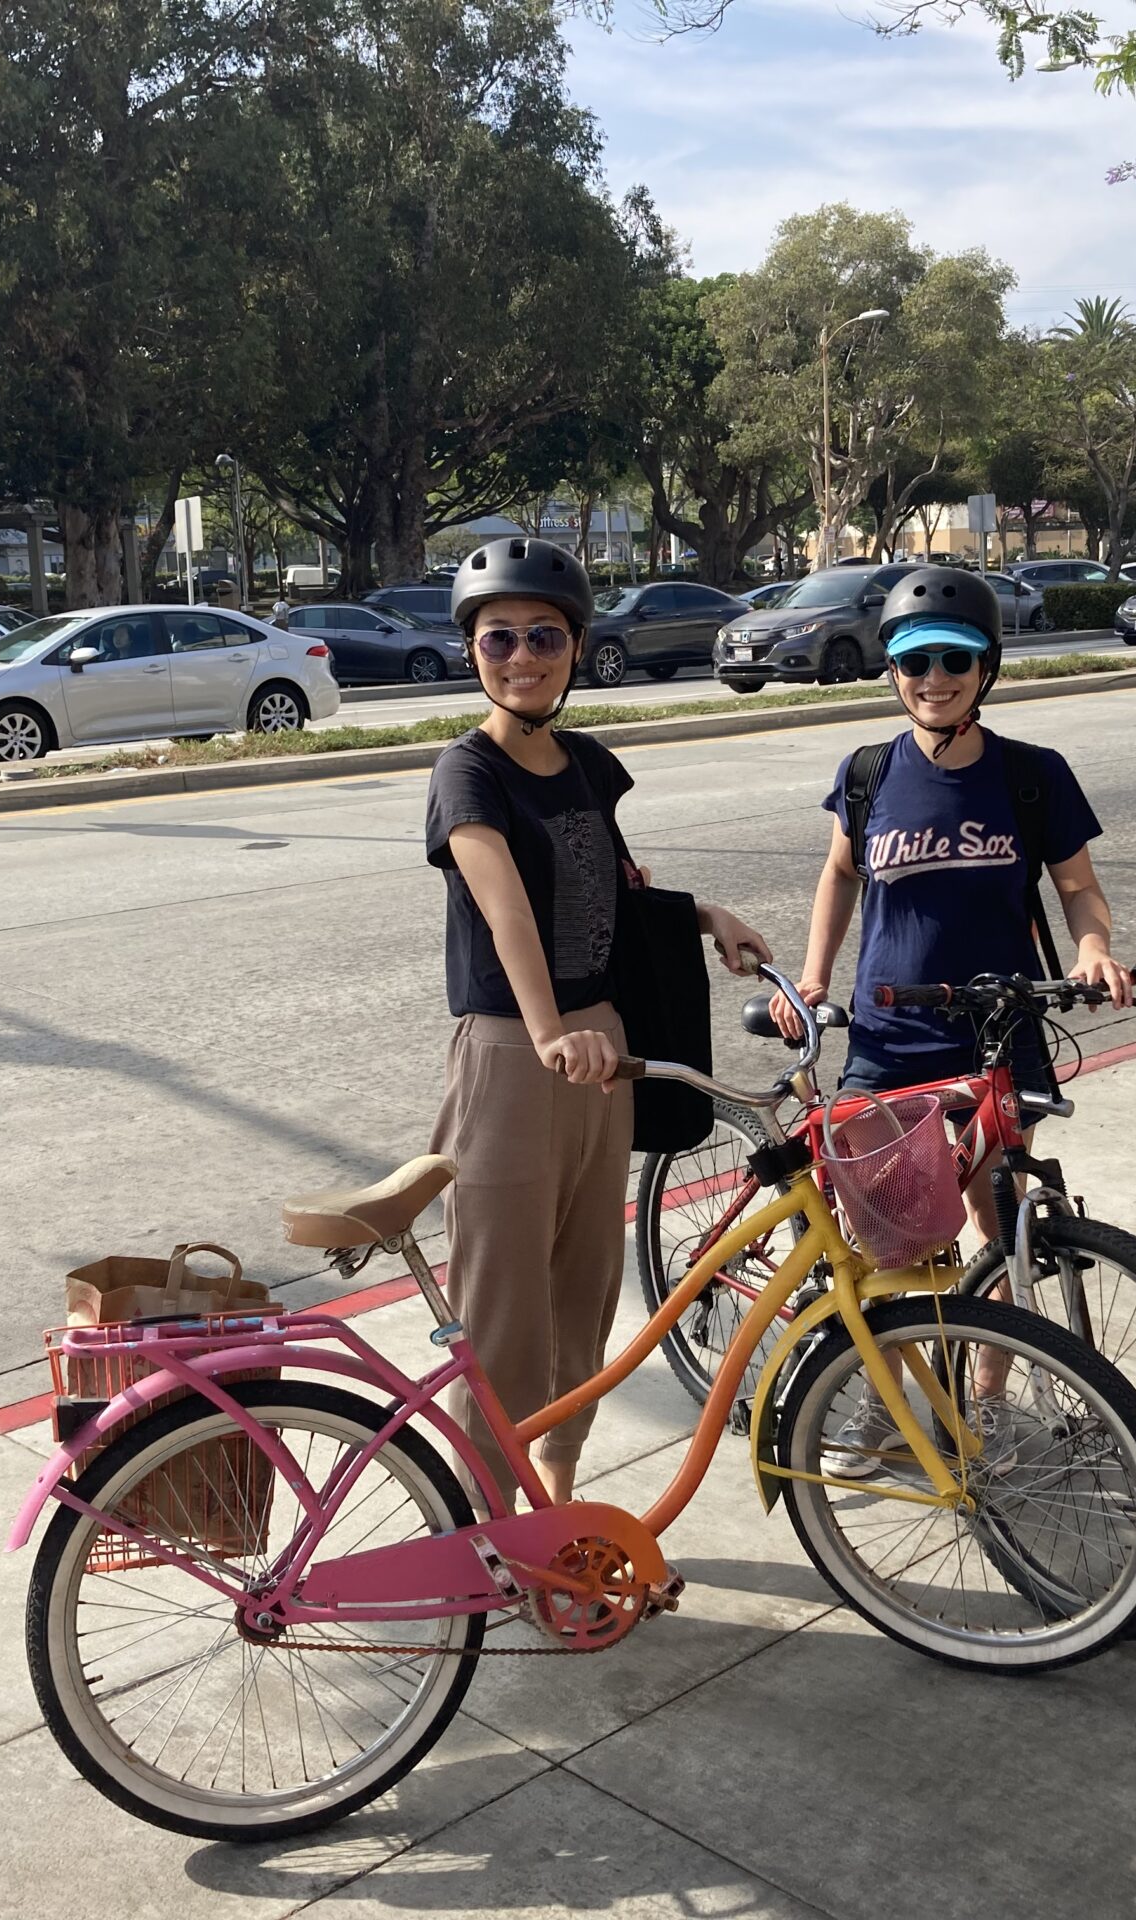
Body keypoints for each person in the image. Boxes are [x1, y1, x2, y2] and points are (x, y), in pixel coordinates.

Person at [425, 536, 771, 1503]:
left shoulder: (586, 762)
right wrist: (545, 1033)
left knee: (582, 1301)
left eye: (544, 636)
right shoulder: (467, 774)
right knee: (501, 1319)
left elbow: (614, 887)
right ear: (473, 652)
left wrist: (706, 918)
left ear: (576, 647)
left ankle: (559, 1496)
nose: (522, 657)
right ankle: (492, 1531)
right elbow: (507, 914)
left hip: (601, 1054)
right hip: (515, 1057)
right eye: (500, 640)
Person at [774, 566, 1132, 1474]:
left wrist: (1093, 950)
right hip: (888, 1038)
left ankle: (985, 1402)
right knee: (890, 1238)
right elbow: (840, 875)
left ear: (986, 669)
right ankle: (892, 1406)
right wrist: (814, 980)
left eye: (954, 660)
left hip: (997, 1033)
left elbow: (1079, 888)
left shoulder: (1031, 778)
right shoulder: (866, 775)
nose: (933, 678)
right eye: (914, 661)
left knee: (1000, 1223)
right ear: (892, 670)